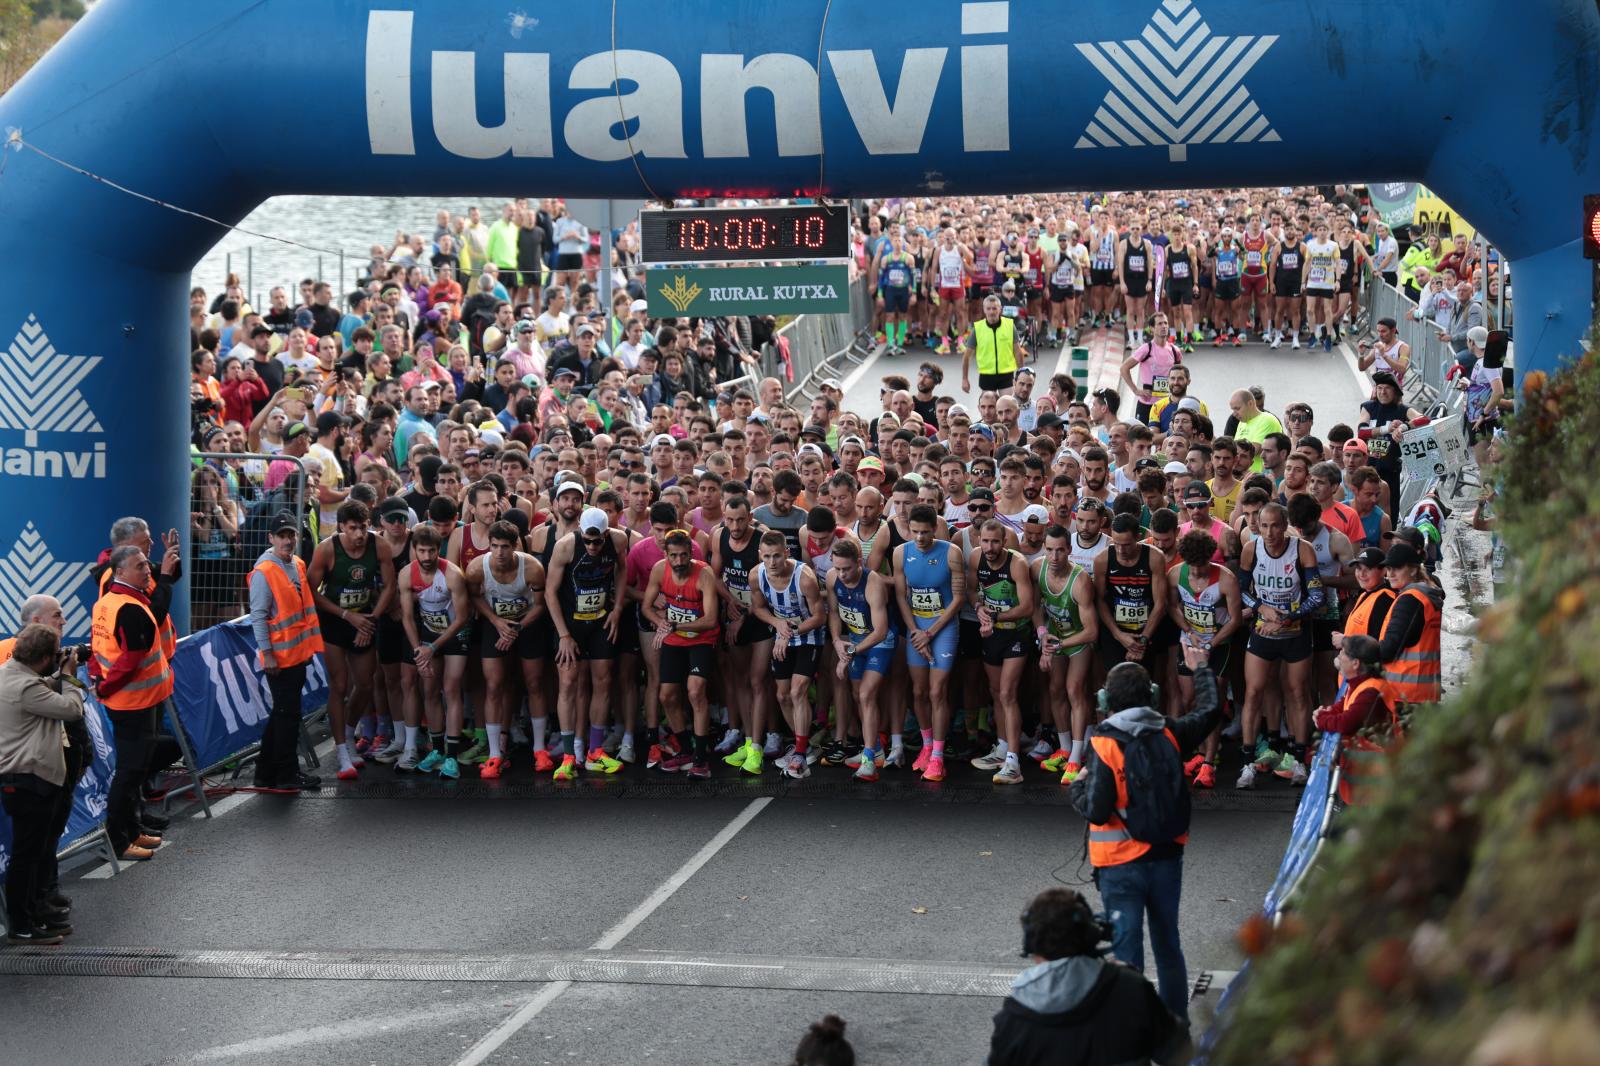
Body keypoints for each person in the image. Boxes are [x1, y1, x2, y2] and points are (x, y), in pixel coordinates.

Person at [1069, 643, 1221, 1021]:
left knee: (1127, 952)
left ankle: (1134, 1028)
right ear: (1151, 695)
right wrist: (1200, 668)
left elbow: (1097, 810)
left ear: (1105, 699)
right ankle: (1176, 1024)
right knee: (1168, 944)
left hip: (1120, 866)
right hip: (1167, 857)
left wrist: (1077, 784)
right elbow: (1210, 710)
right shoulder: (1170, 732)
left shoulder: (1103, 743)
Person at [987, 887, 1190, 1066]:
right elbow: (1179, 1053)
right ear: (1091, 936)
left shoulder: (1014, 1018)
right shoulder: (1131, 988)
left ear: (1031, 946)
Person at [0, 624, 86, 945]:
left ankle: (33, 914)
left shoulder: (10, 672)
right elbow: (72, 709)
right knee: (27, 856)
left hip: (25, 779)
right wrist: (71, 677)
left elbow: (40, 689)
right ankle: (21, 925)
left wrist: (59, 675)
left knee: (33, 853)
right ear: (45, 656)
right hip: (30, 781)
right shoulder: (25, 687)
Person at [90, 545, 176, 861]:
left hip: (134, 701)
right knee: (129, 774)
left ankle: (132, 830)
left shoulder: (106, 604)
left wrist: (101, 682)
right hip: (134, 704)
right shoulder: (128, 608)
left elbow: (97, 649)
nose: (147, 570)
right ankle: (118, 841)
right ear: (121, 572)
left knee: (134, 773)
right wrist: (105, 687)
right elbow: (129, 661)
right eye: (140, 565)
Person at [247, 512, 326, 793]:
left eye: (291, 534)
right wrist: (267, 653)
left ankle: (266, 772)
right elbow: (257, 616)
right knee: (287, 715)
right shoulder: (264, 572)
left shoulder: (297, 564)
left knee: (283, 714)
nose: (288, 540)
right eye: (282, 535)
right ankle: (286, 773)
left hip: (296, 654)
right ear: (271, 538)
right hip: (279, 658)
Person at [1375, 540, 1444, 703]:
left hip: (1404, 693)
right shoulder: (1426, 594)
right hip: (1424, 691)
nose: (1390, 574)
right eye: (1389, 568)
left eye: (1397, 568)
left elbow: (1388, 649)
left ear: (1413, 569)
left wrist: (1352, 647)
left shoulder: (1410, 600)